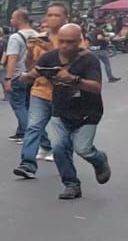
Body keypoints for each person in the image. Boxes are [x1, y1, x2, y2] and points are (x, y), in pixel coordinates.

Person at [38, 24, 111, 200]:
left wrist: (73, 79)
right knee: (58, 148)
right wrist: (21, 78)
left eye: (69, 42)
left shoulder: (89, 60)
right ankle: (71, 184)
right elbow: (35, 71)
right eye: (61, 41)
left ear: (79, 42)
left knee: (83, 149)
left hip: (87, 112)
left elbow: (96, 87)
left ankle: (99, 159)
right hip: (60, 111)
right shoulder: (50, 57)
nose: (64, 46)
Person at [15, 4, 68, 178]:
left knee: (63, 131)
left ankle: (67, 167)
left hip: (63, 90)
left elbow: (72, 64)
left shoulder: (72, 37)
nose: (51, 19)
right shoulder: (39, 37)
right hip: (40, 89)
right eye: (49, 15)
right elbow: (31, 66)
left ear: (65, 18)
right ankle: (27, 164)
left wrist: (48, 49)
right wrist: (30, 52)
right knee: (33, 127)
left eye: (56, 15)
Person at [5, 9, 40, 141]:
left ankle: (28, 133)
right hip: (33, 74)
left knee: (18, 104)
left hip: (18, 74)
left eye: (13, 18)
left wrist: (8, 77)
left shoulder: (15, 37)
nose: (11, 20)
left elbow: (12, 58)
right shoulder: (37, 35)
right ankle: (21, 131)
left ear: (20, 19)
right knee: (28, 104)